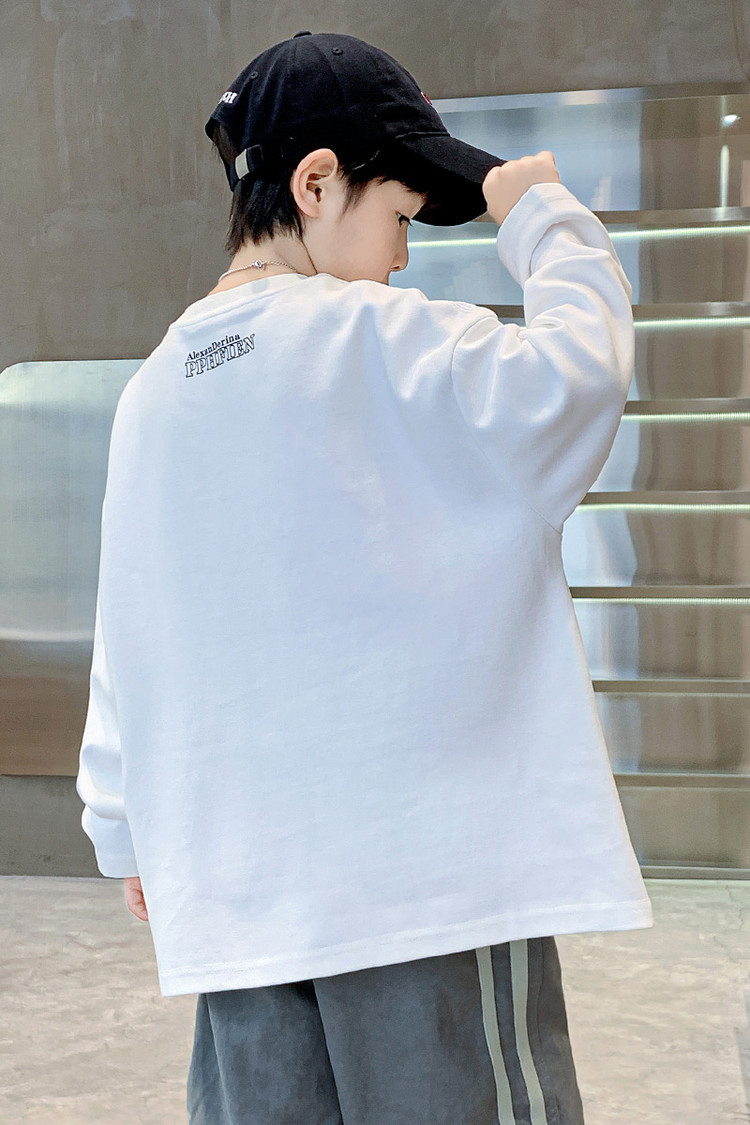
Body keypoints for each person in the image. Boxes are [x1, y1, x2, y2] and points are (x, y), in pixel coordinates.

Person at [76, 30, 653, 1125]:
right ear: (315, 183)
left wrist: (125, 825)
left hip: (241, 898)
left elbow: (133, 626)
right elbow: (578, 382)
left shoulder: (154, 390)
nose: (400, 259)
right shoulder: (388, 343)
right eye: (399, 217)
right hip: (423, 888)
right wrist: (543, 217)